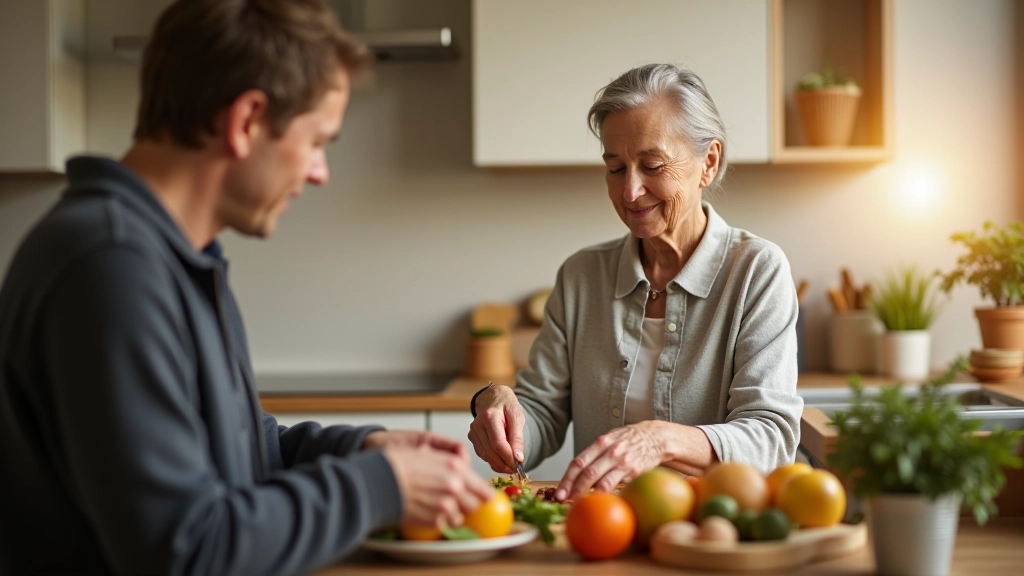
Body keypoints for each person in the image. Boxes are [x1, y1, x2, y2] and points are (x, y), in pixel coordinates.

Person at [0, 1, 493, 574]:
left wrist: (359, 451)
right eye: (317, 141)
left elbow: (245, 453)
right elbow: (186, 550)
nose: (319, 172)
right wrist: (378, 487)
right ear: (247, 122)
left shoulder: (178, 255)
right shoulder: (110, 265)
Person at [468, 63, 804, 502]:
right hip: (601, 531)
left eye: (652, 165)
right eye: (615, 168)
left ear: (709, 162)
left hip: (710, 530)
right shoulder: (581, 276)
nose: (629, 192)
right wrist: (496, 403)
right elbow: (542, 417)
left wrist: (659, 440)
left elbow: (771, 438)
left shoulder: (757, 271)